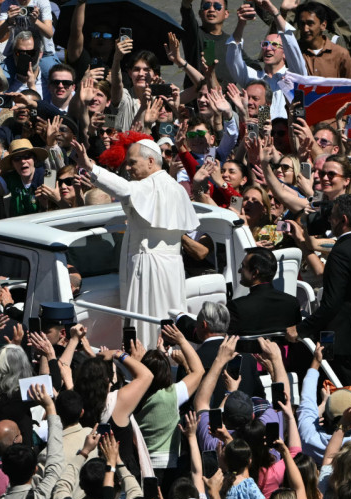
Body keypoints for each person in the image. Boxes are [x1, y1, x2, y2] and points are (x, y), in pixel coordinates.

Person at [73, 137, 200, 344]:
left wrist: (90, 167)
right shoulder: (174, 186)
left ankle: (149, 359)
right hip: (172, 268)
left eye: (132, 162)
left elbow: (124, 189)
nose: (128, 168)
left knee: (147, 321)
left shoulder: (152, 185)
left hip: (149, 266)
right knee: (168, 317)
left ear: (151, 161)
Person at [293, 195, 351, 396]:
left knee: (350, 403)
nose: (329, 221)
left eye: (333, 217)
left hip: (350, 344)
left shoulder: (341, 252)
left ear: (343, 220)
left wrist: (301, 329)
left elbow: (331, 303)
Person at [227, 249, 302, 336]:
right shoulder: (292, 303)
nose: (239, 271)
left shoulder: (236, 306)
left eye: (243, 266)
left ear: (254, 273)